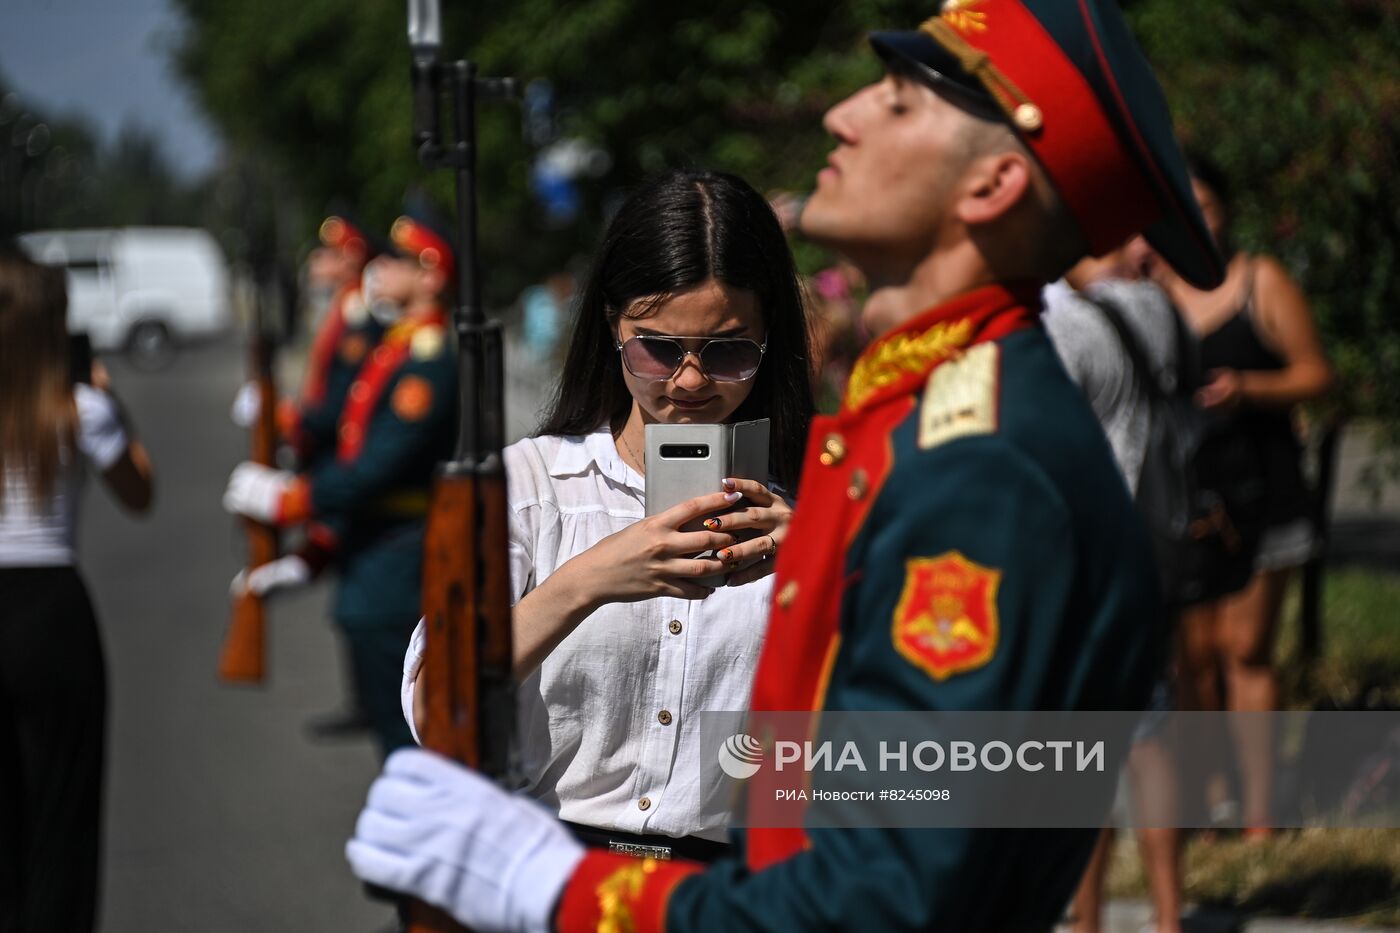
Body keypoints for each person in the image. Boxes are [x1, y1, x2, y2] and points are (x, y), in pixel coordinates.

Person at [346, 2, 1227, 930]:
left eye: (894, 104)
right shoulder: (908, 433)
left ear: (995, 183)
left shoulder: (979, 464)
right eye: (658, 347)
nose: (842, 113)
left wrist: (559, 890)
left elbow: (885, 882)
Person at [400, 169, 815, 859]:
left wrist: (824, 568)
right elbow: (436, 710)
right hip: (542, 872)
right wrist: (588, 580)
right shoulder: (530, 486)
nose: (689, 380)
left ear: (770, 340)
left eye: (729, 351)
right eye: (656, 347)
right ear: (611, 326)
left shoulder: (810, 510)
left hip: (724, 891)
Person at [222, 210, 460, 757]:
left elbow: (379, 468)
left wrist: (292, 500)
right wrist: (315, 553)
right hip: (371, 545)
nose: (383, 267)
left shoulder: (428, 361)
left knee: (406, 735)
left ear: (431, 277)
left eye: (400, 260)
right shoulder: (400, 346)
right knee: (389, 726)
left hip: (395, 556)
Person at [1153, 157, 1334, 836]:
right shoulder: (1154, 289)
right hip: (1189, 498)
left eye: (1207, 202)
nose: (1197, 217)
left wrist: (1249, 389)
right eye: (1184, 204)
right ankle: (1209, 796)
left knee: (1246, 647)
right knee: (1192, 658)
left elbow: (1317, 373)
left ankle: (1262, 810)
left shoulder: (1262, 281)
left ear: (1226, 208)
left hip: (1266, 489)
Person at [0, 243, 153, 932]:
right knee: (60, 814)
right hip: (52, 612)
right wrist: (112, 399)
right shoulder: (80, 408)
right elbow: (140, 490)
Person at [1044, 248, 1189, 933]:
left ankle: (1088, 917)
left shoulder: (1065, 326)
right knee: (1149, 735)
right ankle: (1167, 914)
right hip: (1151, 545)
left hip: (1083, 554)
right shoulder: (1157, 307)